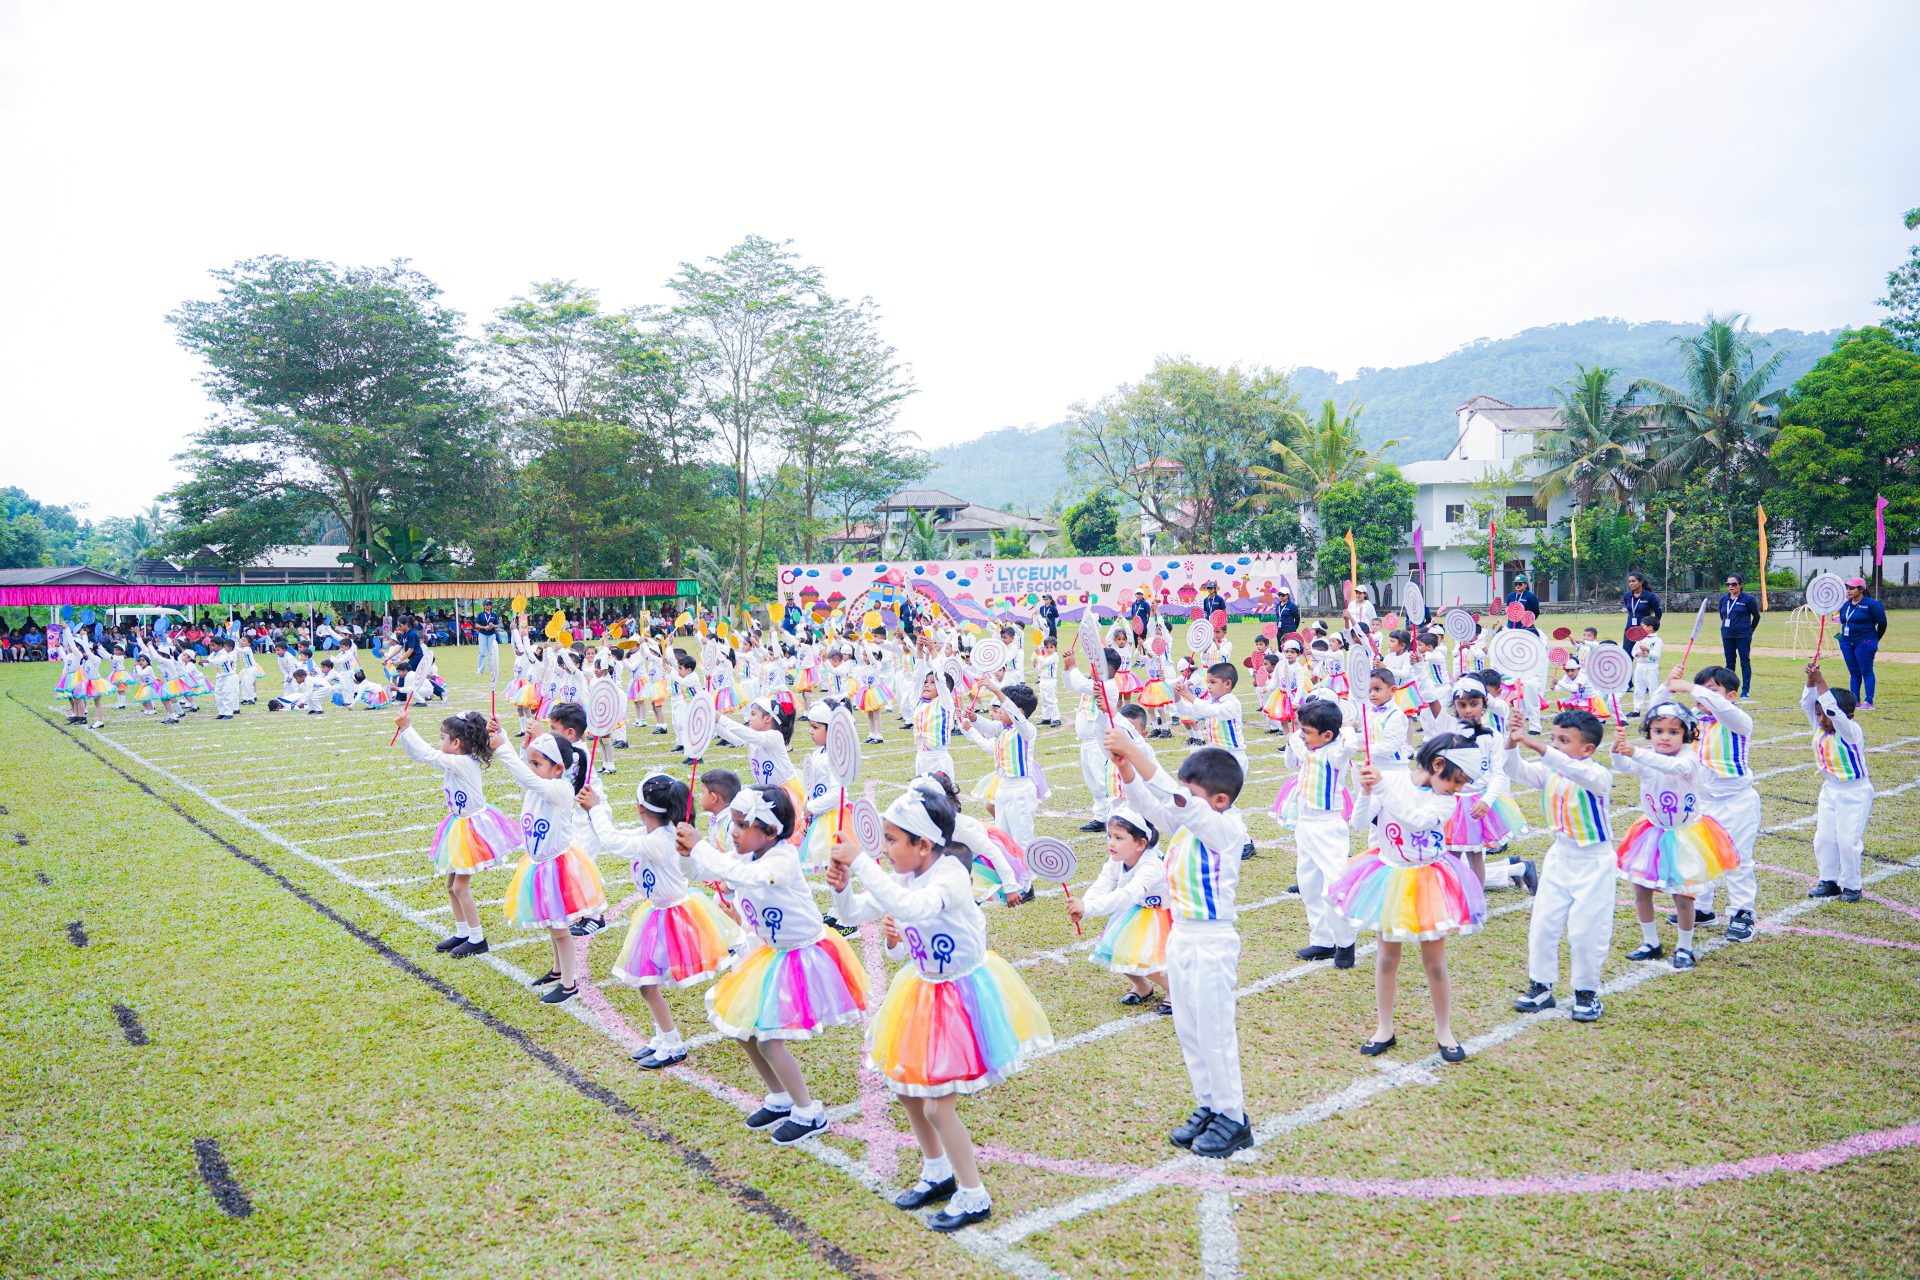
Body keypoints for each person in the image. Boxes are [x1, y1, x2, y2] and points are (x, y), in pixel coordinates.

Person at [826, 781, 1052, 1232]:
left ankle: (973, 1195)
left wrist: (862, 863)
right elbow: (853, 914)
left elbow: (914, 906)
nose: (885, 848)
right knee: (907, 1088)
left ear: (924, 844)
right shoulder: (906, 875)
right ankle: (937, 1171)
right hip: (922, 989)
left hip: (960, 995)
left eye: (892, 840)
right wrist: (842, 887)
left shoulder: (948, 875)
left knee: (937, 1106)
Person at [676, 786, 870, 1145]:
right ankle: (779, 1097)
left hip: (804, 956)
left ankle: (809, 1112)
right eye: (732, 824)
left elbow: (751, 878)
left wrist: (701, 846)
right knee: (743, 1030)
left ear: (770, 830)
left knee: (768, 1040)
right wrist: (689, 854)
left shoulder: (781, 859)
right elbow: (700, 871)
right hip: (769, 953)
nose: (733, 832)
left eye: (741, 825)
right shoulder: (747, 858)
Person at [1108, 731, 1253, 1158]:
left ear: (1220, 800)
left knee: (1214, 1030)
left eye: (1193, 793)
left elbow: (1177, 802)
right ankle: (1208, 1105)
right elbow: (1151, 806)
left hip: (1212, 939)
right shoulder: (1188, 827)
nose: (1183, 800)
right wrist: (1127, 770)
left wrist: (1136, 750)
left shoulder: (1225, 827)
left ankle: (1233, 1115)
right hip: (1181, 934)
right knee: (1189, 1028)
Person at [1334, 738, 1483, 1062]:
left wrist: (1383, 788)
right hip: (1390, 877)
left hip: (1428, 878)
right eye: (1457, 782)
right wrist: (1366, 790)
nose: (1457, 790)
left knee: (1434, 963)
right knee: (1387, 958)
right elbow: (1359, 823)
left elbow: (1417, 818)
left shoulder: (1445, 801)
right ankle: (1384, 1028)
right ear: (1439, 765)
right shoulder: (1395, 779)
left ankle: (1444, 1030)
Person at [584, 771, 740, 1068]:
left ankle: (672, 1043)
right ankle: (662, 1036)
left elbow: (612, 841)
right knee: (648, 983)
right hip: (658, 913)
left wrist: (596, 808)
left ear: (641, 808)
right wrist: (597, 806)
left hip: (673, 917)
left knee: (647, 982)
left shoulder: (660, 840)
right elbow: (617, 837)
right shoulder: (653, 835)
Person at [1610, 703, 1739, 970]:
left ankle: (1685, 947)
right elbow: (1623, 766)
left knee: (1683, 896)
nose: (1664, 737)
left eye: (1673, 731)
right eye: (1658, 731)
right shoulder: (1646, 756)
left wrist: (1634, 751)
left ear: (1686, 735)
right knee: (1641, 889)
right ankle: (1650, 942)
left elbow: (1673, 769)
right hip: (1652, 833)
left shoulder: (1689, 759)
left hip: (1686, 836)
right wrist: (1618, 749)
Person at [1505, 710, 1614, 1022]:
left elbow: (1573, 770)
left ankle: (1586, 992)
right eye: (1553, 739)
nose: (1555, 746)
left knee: (1586, 931)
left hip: (1594, 861)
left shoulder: (1598, 776)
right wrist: (1512, 742)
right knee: (1543, 924)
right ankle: (1540, 985)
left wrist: (1538, 746)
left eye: (1564, 741)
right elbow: (1516, 771)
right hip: (1559, 858)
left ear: (1587, 749)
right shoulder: (1550, 770)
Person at [492, 727, 610, 1004]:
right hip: (538, 865)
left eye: (536, 763)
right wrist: (507, 739)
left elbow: (527, 777)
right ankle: (558, 971)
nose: (531, 768)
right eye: (531, 763)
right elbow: (525, 776)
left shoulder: (560, 789)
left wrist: (503, 749)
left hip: (557, 867)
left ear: (558, 768)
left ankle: (569, 985)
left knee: (560, 927)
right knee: (551, 924)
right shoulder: (540, 782)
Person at [397, 709, 519, 957]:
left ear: (457, 743)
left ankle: (477, 938)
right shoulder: (456, 760)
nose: (440, 742)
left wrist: (408, 727)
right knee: (451, 885)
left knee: (461, 887)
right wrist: (403, 731)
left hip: (471, 829)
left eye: (443, 737)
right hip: (458, 825)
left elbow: (427, 754)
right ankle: (462, 932)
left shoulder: (462, 762)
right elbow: (419, 755)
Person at [1671, 665, 1761, 942]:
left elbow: (1721, 708)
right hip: (1702, 801)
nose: (1703, 697)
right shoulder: (1695, 720)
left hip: (1737, 802)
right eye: (1701, 691)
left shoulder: (1738, 720)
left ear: (1730, 696)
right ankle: (1702, 908)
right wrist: (1669, 684)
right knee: (1698, 854)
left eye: (1712, 691)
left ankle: (1742, 912)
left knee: (1737, 859)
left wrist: (1689, 687)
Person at [1065, 806, 1172, 1013]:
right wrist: (1084, 907)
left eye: (1118, 838)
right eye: (1109, 836)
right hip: (1134, 910)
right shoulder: (1115, 860)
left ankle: (1174, 991)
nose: (1111, 843)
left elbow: (1128, 895)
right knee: (1115, 949)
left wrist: (1089, 907)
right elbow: (1102, 884)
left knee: (1146, 957)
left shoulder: (1152, 866)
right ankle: (1142, 987)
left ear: (1141, 844)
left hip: (1160, 913)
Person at [1801, 662, 1873, 902]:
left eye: (1825, 714)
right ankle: (1828, 881)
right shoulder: (1821, 726)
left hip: (1855, 792)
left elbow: (1834, 713)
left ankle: (1852, 885)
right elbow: (1808, 704)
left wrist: (1822, 682)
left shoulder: (1851, 731)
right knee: (1824, 838)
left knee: (1847, 840)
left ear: (1848, 716)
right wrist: (1811, 683)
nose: (1820, 719)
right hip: (1830, 790)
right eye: (1819, 713)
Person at [1836, 577, 1888, 710]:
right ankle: (1855, 700)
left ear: (1861, 589)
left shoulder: (1872, 605)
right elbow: (1843, 620)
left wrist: (1874, 639)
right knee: (1854, 672)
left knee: (1866, 671)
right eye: (1847, 588)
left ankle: (1868, 702)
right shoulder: (1846, 605)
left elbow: (1882, 623)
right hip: (1847, 643)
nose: (1849, 590)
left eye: (1852, 588)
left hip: (1865, 642)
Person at [1716, 575, 1762, 699]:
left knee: (1744, 662)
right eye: (1728, 584)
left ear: (1740, 585)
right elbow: (1723, 615)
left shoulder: (1748, 599)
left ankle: (1745, 691)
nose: (1730, 586)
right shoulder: (1723, 600)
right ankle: (1730, 689)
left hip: (1743, 635)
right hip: (1727, 635)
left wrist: (1750, 630)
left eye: (1733, 584)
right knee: (1729, 663)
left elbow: (1756, 616)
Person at [1622, 572, 1663, 647]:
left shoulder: (1650, 596)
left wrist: (1653, 625)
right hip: (1630, 629)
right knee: (1627, 655)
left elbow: (1658, 612)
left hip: (1644, 630)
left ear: (1641, 582)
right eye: (1629, 582)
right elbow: (1630, 610)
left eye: (1633, 581)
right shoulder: (1627, 596)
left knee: (1643, 655)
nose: (1631, 583)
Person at [474, 603, 501, 677]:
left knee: (491, 652)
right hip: (482, 634)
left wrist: (493, 626)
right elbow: (476, 625)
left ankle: (492, 669)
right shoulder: (480, 614)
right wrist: (484, 627)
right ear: (484, 606)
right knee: (481, 652)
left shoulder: (494, 614)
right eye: (487, 604)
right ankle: (480, 669)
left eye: (490, 604)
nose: (488, 606)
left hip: (491, 634)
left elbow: (498, 625)